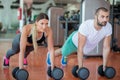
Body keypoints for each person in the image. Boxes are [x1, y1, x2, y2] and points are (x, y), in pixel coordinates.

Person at [46, 7, 112, 71]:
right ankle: (51, 54)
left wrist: (104, 66)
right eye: (102, 17)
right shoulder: (86, 26)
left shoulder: (108, 27)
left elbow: (106, 47)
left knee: (74, 52)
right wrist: (80, 68)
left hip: (88, 46)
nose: (105, 20)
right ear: (96, 16)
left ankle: (66, 55)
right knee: (63, 52)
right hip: (74, 41)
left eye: (107, 17)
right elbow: (80, 48)